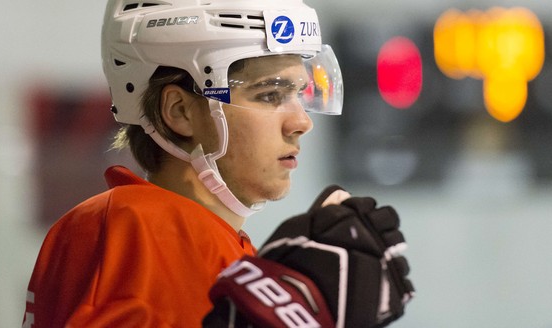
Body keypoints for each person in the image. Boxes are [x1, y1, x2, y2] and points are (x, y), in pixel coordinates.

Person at [23, 0, 414, 327]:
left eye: (298, 92)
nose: (301, 122)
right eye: (269, 95)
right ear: (180, 112)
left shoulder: (201, 237)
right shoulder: (146, 227)